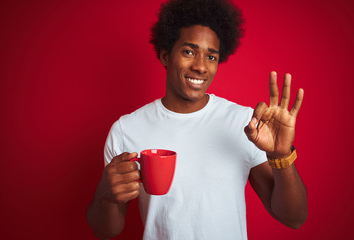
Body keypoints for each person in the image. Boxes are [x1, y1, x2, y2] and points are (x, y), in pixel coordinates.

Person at [86, 0, 308, 239]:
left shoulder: (244, 124)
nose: (201, 66)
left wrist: (281, 156)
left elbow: (293, 218)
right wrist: (105, 194)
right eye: (189, 51)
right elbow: (106, 231)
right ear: (165, 56)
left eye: (211, 57)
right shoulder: (126, 129)